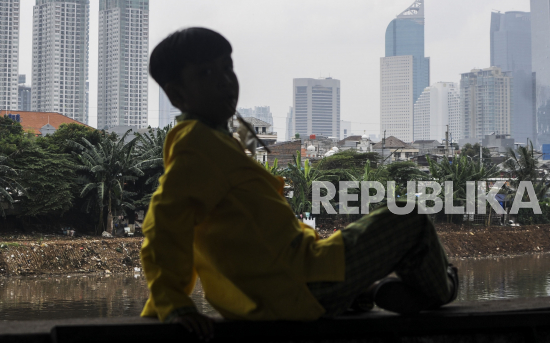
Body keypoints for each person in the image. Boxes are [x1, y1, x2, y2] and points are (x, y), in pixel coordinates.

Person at [140, 28, 457, 339]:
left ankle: (367, 290)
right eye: (206, 72)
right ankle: (447, 285)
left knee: (355, 239)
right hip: (298, 285)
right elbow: (163, 226)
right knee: (409, 217)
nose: (224, 79)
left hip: (283, 286)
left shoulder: (216, 139)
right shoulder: (197, 146)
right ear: (177, 94)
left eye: (227, 67)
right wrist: (174, 305)